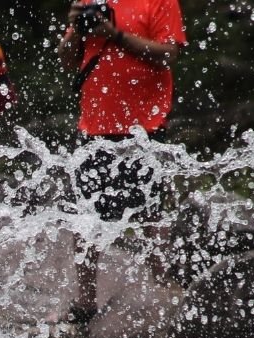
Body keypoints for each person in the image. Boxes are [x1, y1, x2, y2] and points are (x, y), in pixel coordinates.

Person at [57, 0, 187, 320]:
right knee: (85, 218)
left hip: (146, 126)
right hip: (95, 127)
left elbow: (168, 55)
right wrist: (75, 30)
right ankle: (86, 301)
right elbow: (67, 61)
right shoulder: (89, 3)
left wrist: (114, 35)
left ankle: (162, 287)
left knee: (152, 212)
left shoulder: (159, 2)